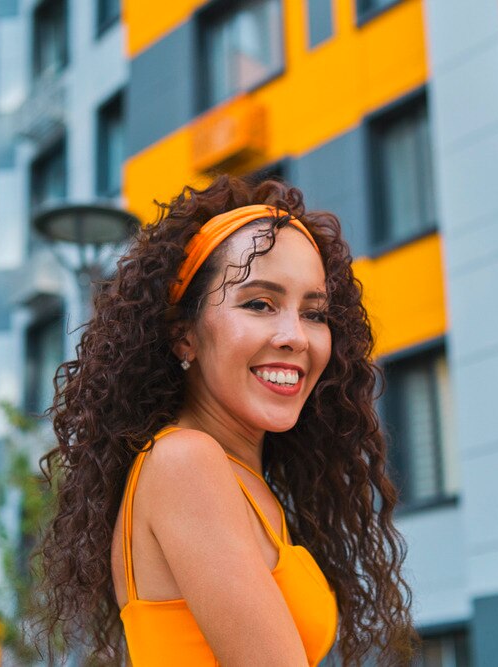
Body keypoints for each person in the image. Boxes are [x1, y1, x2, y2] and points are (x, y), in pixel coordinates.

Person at [33, 175, 418, 666]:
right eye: (260, 303)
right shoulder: (184, 464)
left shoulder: (246, 483)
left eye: (314, 313)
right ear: (183, 337)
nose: (295, 336)